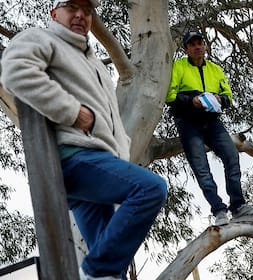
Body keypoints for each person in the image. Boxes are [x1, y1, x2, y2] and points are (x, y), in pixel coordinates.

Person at [1, 0, 167, 279]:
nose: (80, 15)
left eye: (87, 11)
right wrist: (72, 111)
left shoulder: (95, 64)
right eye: (71, 7)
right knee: (151, 189)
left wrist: (119, 156)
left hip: (97, 164)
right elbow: (15, 71)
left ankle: (100, 272)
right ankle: (94, 272)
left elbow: (111, 120)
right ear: (55, 13)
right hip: (74, 158)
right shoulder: (41, 38)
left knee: (111, 266)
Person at [166, 30, 253, 226]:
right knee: (201, 168)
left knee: (232, 157)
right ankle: (218, 210)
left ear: (205, 46)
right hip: (188, 122)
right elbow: (170, 96)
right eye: (192, 44)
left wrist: (219, 99)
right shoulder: (178, 66)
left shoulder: (216, 69)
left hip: (212, 121)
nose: (197, 46)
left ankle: (238, 206)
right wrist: (191, 100)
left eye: (200, 43)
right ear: (186, 49)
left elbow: (229, 97)